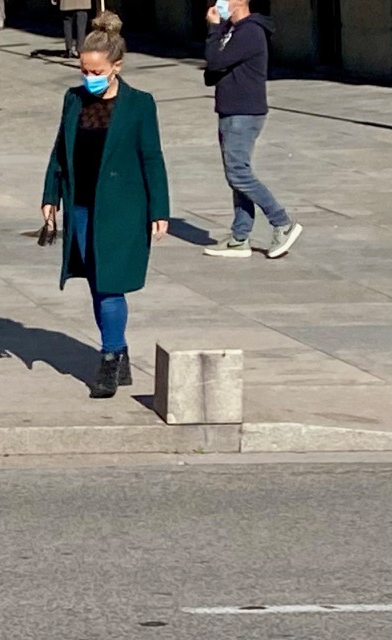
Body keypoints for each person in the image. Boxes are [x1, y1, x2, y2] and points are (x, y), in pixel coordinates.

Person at [41, 12, 170, 399]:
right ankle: (120, 349)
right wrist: (50, 197)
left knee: (112, 285)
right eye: (83, 69)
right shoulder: (73, 99)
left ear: (116, 66)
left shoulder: (140, 105)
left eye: (96, 69)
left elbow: (152, 157)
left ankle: (110, 358)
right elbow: (60, 153)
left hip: (123, 209)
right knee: (98, 285)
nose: (88, 76)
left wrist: (159, 210)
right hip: (80, 204)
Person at [201, 0, 304, 259]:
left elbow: (214, 63)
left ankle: (282, 222)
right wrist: (218, 36)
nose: (218, 3)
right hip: (230, 109)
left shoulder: (250, 32)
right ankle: (239, 237)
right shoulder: (231, 31)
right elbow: (212, 71)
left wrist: (213, 30)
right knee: (236, 174)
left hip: (243, 112)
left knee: (238, 174)